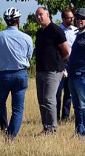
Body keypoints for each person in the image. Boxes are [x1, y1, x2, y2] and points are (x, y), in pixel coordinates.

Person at [0, 7, 33, 142]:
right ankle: (10, 137)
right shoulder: (27, 38)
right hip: (21, 73)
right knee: (17, 108)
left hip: (3, 75)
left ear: (5, 21)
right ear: (18, 20)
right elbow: (29, 57)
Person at [35, 7, 70, 135]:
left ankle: (52, 128)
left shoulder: (56, 30)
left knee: (49, 99)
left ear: (47, 14)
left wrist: (60, 62)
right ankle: (46, 127)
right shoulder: (39, 33)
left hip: (53, 71)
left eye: (41, 14)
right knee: (41, 99)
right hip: (40, 70)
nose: (39, 17)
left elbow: (66, 50)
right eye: (37, 15)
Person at [67, 8, 85, 137]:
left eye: (82, 18)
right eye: (77, 18)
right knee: (77, 107)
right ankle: (79, 132)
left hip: (83, 75)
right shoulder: (79, 34)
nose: (79, 21)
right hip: (73, 76)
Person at [56, 8, 77, 122]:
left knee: (69, 93)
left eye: (72, 17)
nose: (72, 19)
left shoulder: (76, 31)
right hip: (60, 62)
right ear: (64, 19)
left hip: (72, 63)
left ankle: (65, 117)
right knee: (57, 93)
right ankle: (56, 117)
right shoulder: (58, 30)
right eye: (69, 17)